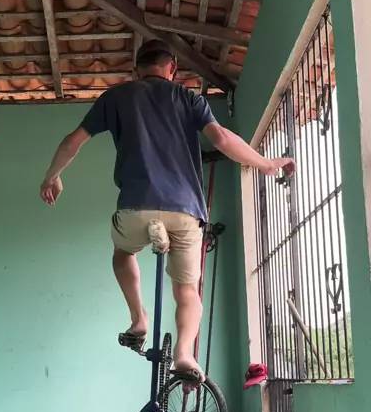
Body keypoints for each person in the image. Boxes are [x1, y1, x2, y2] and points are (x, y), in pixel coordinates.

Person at [40, 39, 295, 381]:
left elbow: (72, 141)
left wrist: (52, 177)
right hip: (185, 211)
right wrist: (265, 163)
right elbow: (221, 139)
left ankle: (139, 319)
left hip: (135, 207)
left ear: (137, 70)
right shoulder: (189, 98)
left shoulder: (116, 97)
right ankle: (184, 354)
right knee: (187, 290)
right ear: (172, 68)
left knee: (122, 254)